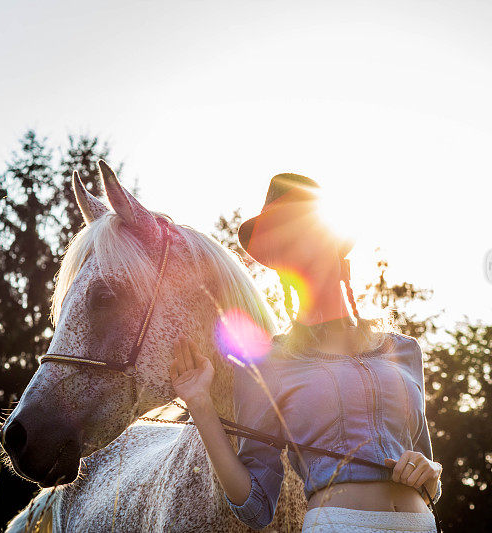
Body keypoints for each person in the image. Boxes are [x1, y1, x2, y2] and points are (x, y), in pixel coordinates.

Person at [169, 173, 441, 532]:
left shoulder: (404, 351)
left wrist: (431, 473)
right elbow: (255, 506)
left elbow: (428, 476)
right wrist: (200, 406)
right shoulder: (268, 364)